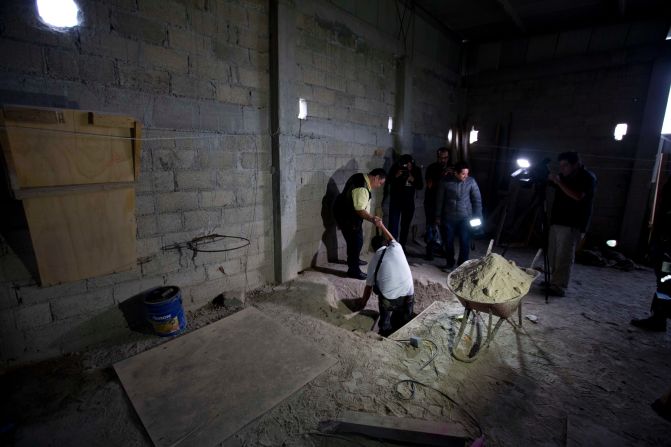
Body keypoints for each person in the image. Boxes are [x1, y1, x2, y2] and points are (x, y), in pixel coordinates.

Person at [546, 151, 597, 297]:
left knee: (564, 255)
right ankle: (553, 280)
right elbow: (552, 183)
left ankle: (559, 285)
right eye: (560, 166)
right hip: (557, 220)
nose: (562, 169)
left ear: (576, 164)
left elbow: (578, 196)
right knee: (553, 253)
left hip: (572, 223)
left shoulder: (587, 178)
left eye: (565, 165)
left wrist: (559, 182)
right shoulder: (564, 177)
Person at [357, 221, 414, 337]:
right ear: (387, 243)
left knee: (386, 324)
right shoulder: (397, 247)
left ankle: (385, 329)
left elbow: (368, 288)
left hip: (390, 300)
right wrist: (381, 225)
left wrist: (362, 303)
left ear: (373, 249)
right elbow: (391, 237)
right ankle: (403, 325)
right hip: (408, 296)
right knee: (405, 323)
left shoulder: (373, 261)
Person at [631, 176, 671, 331]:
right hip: (664, 244)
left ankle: (660, 316)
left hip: (668, 248)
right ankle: (659, 316)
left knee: (666, 280)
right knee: (664, 281)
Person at [333, 168, 387, 279]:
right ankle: (353, 270)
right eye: (380, 183)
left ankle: (354, 260)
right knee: (355, 243)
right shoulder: (362, 187)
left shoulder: (360, 177)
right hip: (348, 216)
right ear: (376, 177)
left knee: (355, 241)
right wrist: (372, 219)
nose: (379, 186)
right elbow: (359, 210)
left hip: (346, 212)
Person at [434, 161, 482, 270]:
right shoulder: (445, 182)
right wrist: (437, 216)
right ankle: (450, 263)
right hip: (448, 217)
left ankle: (462, 266)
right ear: (456, 173)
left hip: (465, 217)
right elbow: (439, 199)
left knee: (464, 241)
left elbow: (477, 200)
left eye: (467, 173)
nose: (466, 176)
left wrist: (478, 216)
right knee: (448, 241)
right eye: (463, 174)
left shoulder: (471, 182)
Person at [387, 154, 423, 249]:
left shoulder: (416, 170)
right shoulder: (396, 167)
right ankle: (392, 247)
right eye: (405, 165)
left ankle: (402, 247)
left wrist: (413, 179)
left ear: (412, 163)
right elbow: (388, 180)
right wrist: (396, 175)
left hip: (408, 202)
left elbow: (420, 185)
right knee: (393, 225)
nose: (407, 167)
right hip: (396, 200)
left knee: (405, 226)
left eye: (409, 165)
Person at [424, 147, 452, 260]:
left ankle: (441, 249)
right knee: (431, 227)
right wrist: (442, 175)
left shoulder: (451, 168)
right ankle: (429, 251)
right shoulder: (432, 168)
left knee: (445, 228)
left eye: (445, 158)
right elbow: (430, 185)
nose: (443, 160)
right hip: (431, 202)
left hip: (446, 204)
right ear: (437, 157)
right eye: (441, 158)